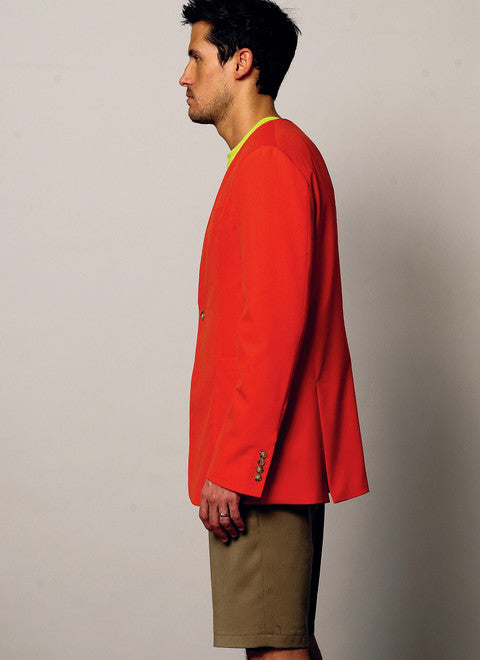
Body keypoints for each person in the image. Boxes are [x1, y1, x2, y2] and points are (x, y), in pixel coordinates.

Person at [179, 1, 369, 658]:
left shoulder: (269, 162)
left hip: (264, 468)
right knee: (283, 642)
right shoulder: (267, 157)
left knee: (275, 647)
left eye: (196, 58)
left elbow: (273, 330)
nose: (183, 76)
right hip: (269, 461)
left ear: (241, 63)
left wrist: (235, 466)